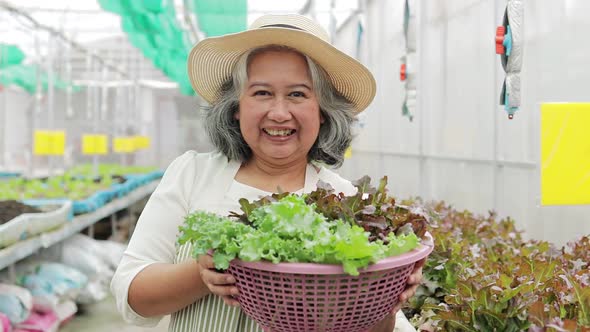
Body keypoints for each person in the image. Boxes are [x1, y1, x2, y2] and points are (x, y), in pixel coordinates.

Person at [111, 14, 425, 332]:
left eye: (298, 94)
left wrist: (388, 296)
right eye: (261, 93)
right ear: (236, 107)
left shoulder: (347, 202)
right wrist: (202, 273)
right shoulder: (192, 174)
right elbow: (132, 295)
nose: (278, 113)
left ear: (324, 112)